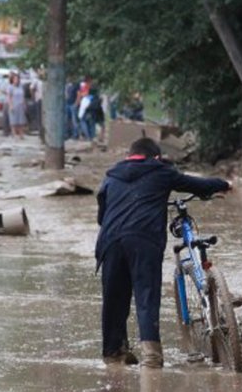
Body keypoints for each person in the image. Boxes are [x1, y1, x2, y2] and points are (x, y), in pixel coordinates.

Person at [96, 138, 231, 368]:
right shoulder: (161, 172)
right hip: (143, 240)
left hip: (110, 241)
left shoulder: (110, 177)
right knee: (146, 295)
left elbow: (102, 215)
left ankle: (113, 353)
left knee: (114, 298)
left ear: (130, 154)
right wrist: (224, 184)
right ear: (155, 157)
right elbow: (196, 185)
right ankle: (151, 356)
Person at [7, 72, 27, 138]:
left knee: (21, 120)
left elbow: (23, 96)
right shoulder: (10, 87)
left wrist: (24, 104)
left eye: (17, 79)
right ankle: (14, 133)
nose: (16, 80)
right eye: (15, 79)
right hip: (14, 104)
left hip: (20, 105)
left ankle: (21, 134)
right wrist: (11, 105)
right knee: (13, 120)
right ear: (12, 79)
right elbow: (9, 97)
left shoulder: (21, 87)